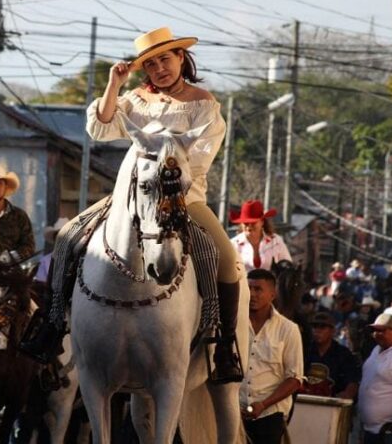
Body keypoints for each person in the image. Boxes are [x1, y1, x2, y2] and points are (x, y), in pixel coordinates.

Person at [21, 27, 243, 383]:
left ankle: (225, 346)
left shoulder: (204, 105)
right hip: (131, 196)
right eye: (151, 64)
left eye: (165, 59)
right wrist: (115, 84)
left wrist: (167, 185)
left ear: (181, 58)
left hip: (183, 197)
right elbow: (101, 128)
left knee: (227, 258)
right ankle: (51, 327)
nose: (159, 68)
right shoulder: (137, 99)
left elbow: (199, 161)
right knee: (66, 236)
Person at [241, 268, 304, 444]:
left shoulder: (288, 329)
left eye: (258, 289)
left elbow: (295, 378)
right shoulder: (233, 324)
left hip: (269, 416)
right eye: (249, 289)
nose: (252, 294)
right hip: (234, 414)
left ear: (272, 294)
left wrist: (263, 404)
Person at [358, 313, 392, 443]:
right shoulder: (376, 349)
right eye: (374, 330)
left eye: (381, 330)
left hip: (388, 432)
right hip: (368, 429)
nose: (376, 334)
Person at [301, 312, 360, 399]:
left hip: (331, 404)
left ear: (332, 331)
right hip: (304, 401)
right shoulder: (304, 350)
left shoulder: (343, 354)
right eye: (315, 326)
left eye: (322, 327)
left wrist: (347, 394)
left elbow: (353, 381)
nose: (318, 330)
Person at [230, 200, 292, 273]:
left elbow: (288, 268)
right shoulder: (234, 244)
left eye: (253, 223)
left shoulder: (276, 241)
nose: (249, 227)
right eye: (246, 223)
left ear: (262, 222)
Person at [35, 217, 69, 284]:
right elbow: (40, 284)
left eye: (65, 238)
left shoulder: (77, 259)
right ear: (54, 240)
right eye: (58, 238)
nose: (61, 242)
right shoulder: (45, 261)